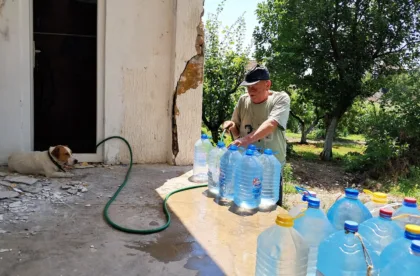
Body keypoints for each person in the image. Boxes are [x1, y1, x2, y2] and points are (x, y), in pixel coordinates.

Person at [223, 64, 290, 206]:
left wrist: (246, 140)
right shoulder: (243, 100)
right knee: (244, 205)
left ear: (267, 84)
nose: (250, 91)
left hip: (270, 167)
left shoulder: (280, 99)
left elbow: (271, 124)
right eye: (247, 87)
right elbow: (237, 132)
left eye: (254, 86)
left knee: (268, 208)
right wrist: (231, 126)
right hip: (246, 166)